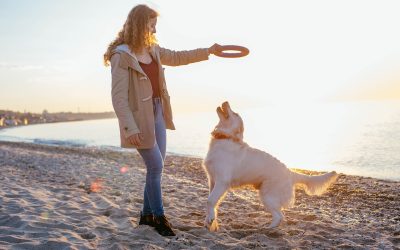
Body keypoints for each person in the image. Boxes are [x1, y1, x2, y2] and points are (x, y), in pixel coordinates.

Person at [104, 4, 221, 237]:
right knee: (155, 166)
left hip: (158, 111)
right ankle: (159, 216)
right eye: (152, 26)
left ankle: (146, 216)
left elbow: (179, 57)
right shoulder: (121, 56)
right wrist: (130, 127)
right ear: (140, 25)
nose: (155, 31)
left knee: (155, 167)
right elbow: (118, 98)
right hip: (139, 118)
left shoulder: (153, 49)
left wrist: (208, 51)